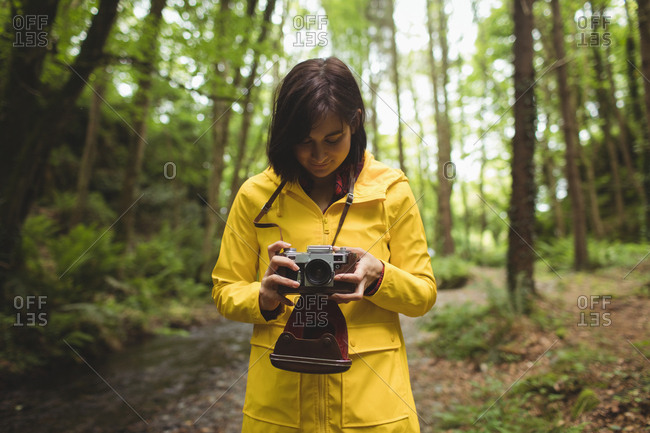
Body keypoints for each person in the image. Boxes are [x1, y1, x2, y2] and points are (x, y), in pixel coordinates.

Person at [211, 57, 436, 432]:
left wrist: (379, 275)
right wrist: (263, 297)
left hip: (374, 409)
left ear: (356, 122)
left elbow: (423, 295)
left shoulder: (391, 191)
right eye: (304, 142)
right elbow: (224, 291)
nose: (319, 156)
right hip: (279, 408)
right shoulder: (256, 196)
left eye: (333, 139)